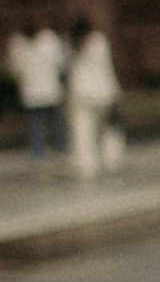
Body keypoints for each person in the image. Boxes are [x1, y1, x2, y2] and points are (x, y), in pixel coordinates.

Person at [65, 13, 123, 179]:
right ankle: (112, 158)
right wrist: (115, 88)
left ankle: (87, 165)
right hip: (101, 90)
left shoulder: (71, 43)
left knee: (83, 130)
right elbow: (107, 66)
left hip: (80, 93)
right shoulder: (98, 41)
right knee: (108, 128)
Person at [8, 16, 69, 171]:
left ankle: (39, 154)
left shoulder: (18, 44)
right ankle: (60, 151)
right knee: (54, 124)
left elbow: (15, 70)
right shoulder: (48, 40)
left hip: (32, 92)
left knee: (37, 126)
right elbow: (60, 64)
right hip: (49, 90)